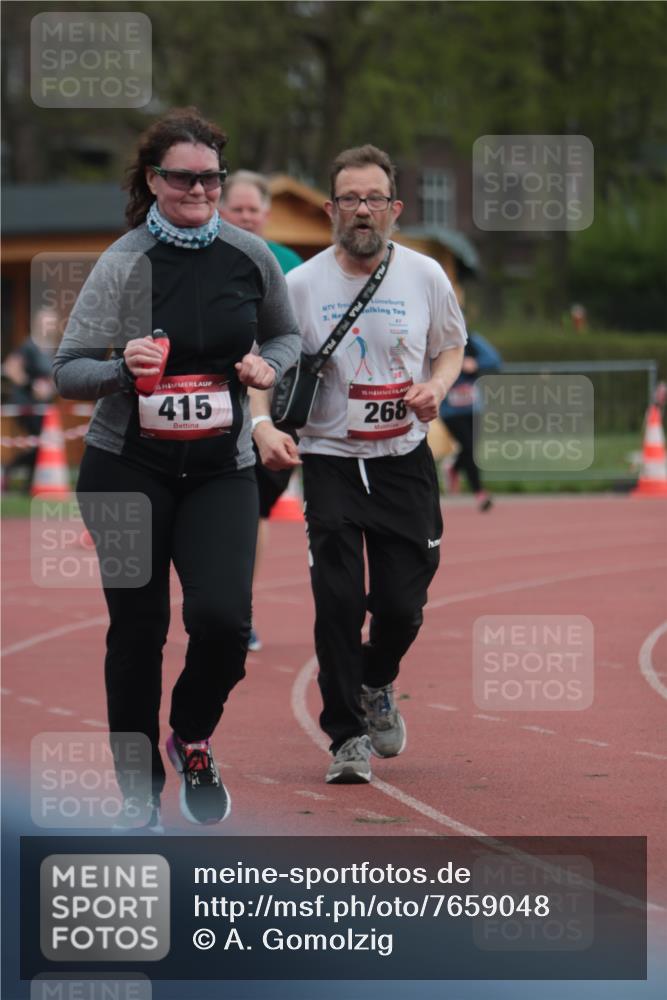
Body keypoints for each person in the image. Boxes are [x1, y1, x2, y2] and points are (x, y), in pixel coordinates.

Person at [53, 108, 300, 827]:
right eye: (184, 177)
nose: (199, 189)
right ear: (155, 180)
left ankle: (190, 734)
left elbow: (287, 337)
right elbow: (67, 369)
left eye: (211, 177)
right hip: (127, 467)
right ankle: (137, 797)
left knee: (223, 621)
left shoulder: (247, 255)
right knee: (137, 633)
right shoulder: (123, 261)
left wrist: (266, 365)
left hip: (220, 469)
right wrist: (121, 371)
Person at [252, 144, 466, 784]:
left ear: (395, 208)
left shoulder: (426, 275)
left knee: (402, 605)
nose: (363, 210)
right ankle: (346, 738)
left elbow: (450, 349)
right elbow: (261, 367)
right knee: (338, 601)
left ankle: (377, 680)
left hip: (403, 459)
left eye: (374, 198)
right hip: (331, 462)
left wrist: (438, 386)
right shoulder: (299, 286)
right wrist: (261, 424)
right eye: (350, 199)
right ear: (330, 209)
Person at [219, 171, 302, 651]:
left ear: (267, 215)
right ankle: (217, 606)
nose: (247, 217)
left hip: (272, 406)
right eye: (239, 209)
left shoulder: (289, 264)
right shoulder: (206, 256)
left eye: (255, 210)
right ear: (221, 209)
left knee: (253, 513)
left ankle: (239, 610)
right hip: (212, 404)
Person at [439, 299, 502, 511]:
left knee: (470, 447)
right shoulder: (438, 341)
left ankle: (453, 467)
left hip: (473, 406)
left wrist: (475, 363)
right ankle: (480, 493)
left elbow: (494, 360)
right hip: (450, 409)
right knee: (469, 448)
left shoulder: (473, 341)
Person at [1, 308, 57, 491]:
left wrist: (50, 388)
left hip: (42, 406)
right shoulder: (29, 345)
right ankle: (12, 471)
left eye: (52, 323)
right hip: (25, 404)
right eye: (46, 322)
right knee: (41, 443)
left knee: (41, 443)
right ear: (38, 324)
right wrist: (31, 386)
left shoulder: (50, 348)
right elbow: (10, 368)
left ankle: (26, 482)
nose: (50, 326)